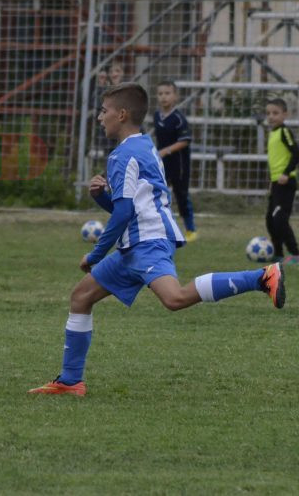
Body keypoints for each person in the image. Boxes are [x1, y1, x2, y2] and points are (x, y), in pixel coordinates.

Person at [29, 83, 287, 397]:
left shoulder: (123, 155)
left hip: (147, 241)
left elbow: (124, 213)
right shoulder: (144, 145)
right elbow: (131, 206)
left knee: (175, 299)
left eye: (104, 111)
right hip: (136, 243)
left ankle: (261, 277)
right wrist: (101, 198)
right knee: (81, 297)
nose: (100, 117)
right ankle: (70, 381)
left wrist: (95, 254)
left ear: (121, 115)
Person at [153, 80, 196, 241]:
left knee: (181, 195)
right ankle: (160, 228)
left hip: (179, 165)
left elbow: (185, 140)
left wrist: (166, 150)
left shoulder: (178, 118)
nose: (163, 97)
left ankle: (190, 230)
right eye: (160, 94)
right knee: (159, 194)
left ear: (175, 97)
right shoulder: (157, 115)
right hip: (162, 164)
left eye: (167, 93)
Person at [264, 98, 299, 261]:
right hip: (277, 183)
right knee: (270, 220)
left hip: (287, 182)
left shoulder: (284, 131)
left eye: (275, 113)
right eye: (268, 113)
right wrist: (272, 182)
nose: (271, 116)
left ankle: (295, 253)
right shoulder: (273, 133)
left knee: (280, 218)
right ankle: (278, 254)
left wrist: (286, 173)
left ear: (285, 115)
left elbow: (296, 152)